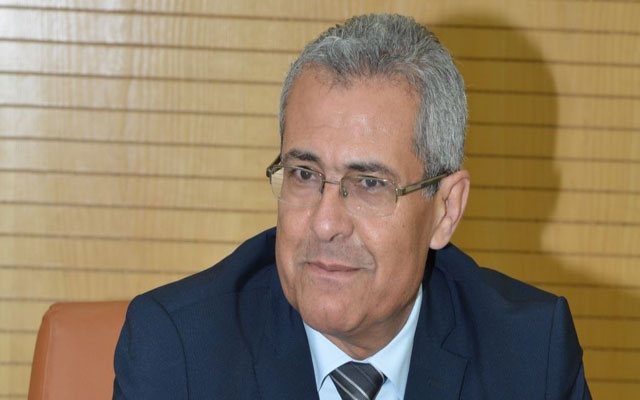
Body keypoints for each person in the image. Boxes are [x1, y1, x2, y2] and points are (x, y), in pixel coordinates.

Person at [113, 14, 590, 399]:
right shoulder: (179, 350)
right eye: (304, 174)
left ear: (446, 210)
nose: (324, 224)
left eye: (369, 184)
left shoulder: (530, 355)